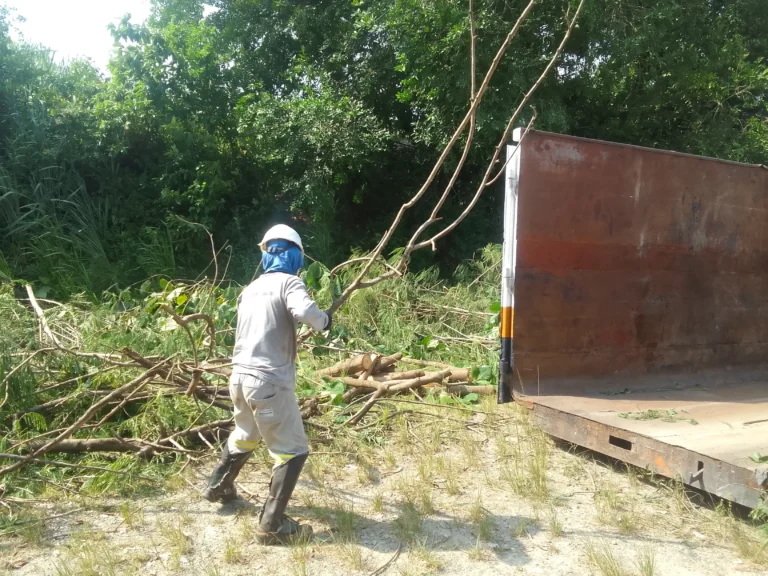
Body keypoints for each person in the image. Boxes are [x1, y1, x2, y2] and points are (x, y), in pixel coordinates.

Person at [202, 224, 331, 545]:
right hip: (269, 382)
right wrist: (325, 320)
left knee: (246, 434)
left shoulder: (251, 288)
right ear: (295, 255)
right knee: (293, 451)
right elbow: (306, 312)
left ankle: (220, 485)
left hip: (239, 378)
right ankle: (272, 525)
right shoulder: (289, 282)